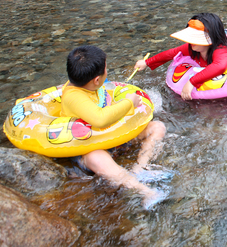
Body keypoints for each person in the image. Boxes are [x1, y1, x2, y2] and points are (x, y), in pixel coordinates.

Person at [62, 45, 167, 208]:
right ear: (96, 80)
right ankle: (145, 191)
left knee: (157, 127)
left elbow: (110, 97)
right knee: (96, 158)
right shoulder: (74, 97)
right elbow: (100, 119)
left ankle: (141, 168)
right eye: (106, 69)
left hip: (112, 136)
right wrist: (129, 102)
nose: (107, 72)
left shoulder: (92, 84)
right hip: (89, 144)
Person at [135, 13, 227, 100]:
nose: (191, 42)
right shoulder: (193, 47)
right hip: (216, 80)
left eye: (196, 38)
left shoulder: (222, 51)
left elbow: (220, 66)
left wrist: (192, 81)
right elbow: (171, 53)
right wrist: (147, 62)